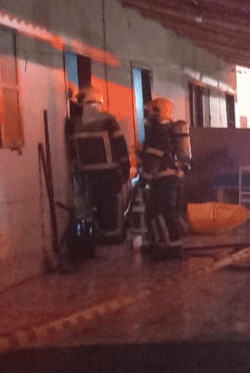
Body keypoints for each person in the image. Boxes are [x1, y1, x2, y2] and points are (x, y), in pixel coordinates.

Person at [69, 87, 129, 245]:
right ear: (98, 101)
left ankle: (96, 237)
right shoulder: (108, 120)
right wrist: (125, 167)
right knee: (109, 206)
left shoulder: (74, 123)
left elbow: (72, 150)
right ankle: (112, 237)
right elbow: (120, 144)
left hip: (86, 175)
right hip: (108, 173)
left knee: (90, 206)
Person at [139, 98, 185, 259]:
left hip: (163, 180)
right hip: (168, 179)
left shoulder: (158, 131)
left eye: (149, 111)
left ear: (158, 111)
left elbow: (154, 159)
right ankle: (168, 246)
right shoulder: (166, 130)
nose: (147, 115)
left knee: (162, 213)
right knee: (163, 213)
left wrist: (143, 180)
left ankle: (170, 249)